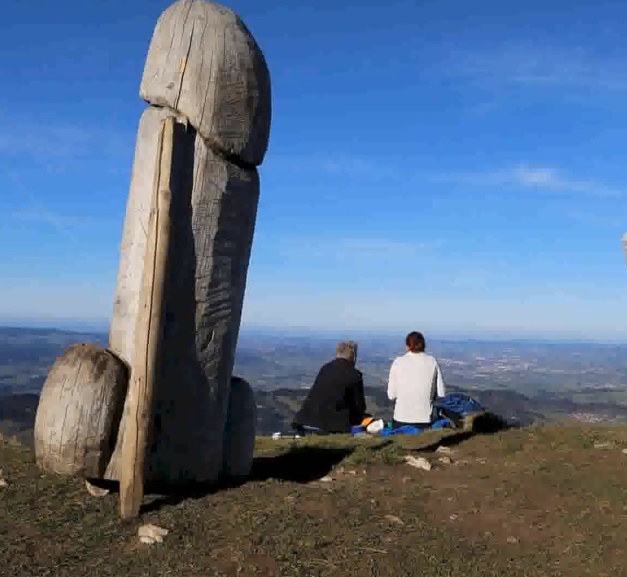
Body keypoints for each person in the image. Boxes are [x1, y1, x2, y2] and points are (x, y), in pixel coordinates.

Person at [293, 341, 368, 434]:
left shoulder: (325, 368)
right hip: (332, 425)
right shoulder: (354, 375)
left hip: (305, 420)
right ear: (353, 356)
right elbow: (360, 407)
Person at [387, 331, 446, 429]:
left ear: (407, 346)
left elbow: (391, 395)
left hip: (400, 420)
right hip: (425, 421)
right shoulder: (432, 361)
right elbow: (442, 393)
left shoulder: (398, 362)